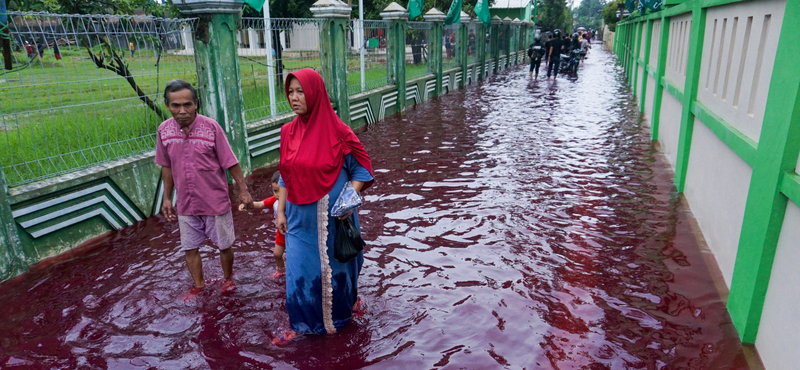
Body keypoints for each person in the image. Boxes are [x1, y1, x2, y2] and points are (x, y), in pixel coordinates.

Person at [274, 69, 374, 342]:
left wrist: (346, 202)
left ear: (315, 93)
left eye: (300, 92)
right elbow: (285, 173)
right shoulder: (288, 132)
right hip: (298, 221)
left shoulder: (339, 132)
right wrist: (280, 211)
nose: (294, 98)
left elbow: (363, 170)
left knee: (337, 270)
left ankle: (340, 317)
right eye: (290, 92)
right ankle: (301, 325)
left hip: (333, 220)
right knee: (298, 271)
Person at [154, 79, 253, 297]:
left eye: (187, 104)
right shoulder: (164, 131)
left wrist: (243, 189)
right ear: (167, 106)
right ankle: (199, 286)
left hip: (214, 200)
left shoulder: (211, 128)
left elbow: (230, 161)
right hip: (186, 203)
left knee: (224, 245)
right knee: (189, 248)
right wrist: (167, 198)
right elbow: (166, 166)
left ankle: (228, 279)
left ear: (196, 104)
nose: (182, 111)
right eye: (175, 105)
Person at [238, 171, 286, 279]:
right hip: (281, 232)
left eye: (280, 191)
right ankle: (281, 270)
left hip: (292, 231)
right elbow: (260, 204)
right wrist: (247, 205)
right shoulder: (274, 200)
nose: (278, 194)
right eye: (275, 191)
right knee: (277, 254)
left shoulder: (291, 201)